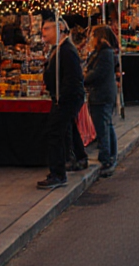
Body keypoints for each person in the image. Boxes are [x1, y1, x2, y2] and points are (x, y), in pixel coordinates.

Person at [38, 15, 85, 190]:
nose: (43, 32)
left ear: (58, 30)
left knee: (55, 132)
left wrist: (62, 99)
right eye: (43, 29)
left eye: (47, 29)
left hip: (65, 100)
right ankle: (72, 161)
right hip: (61, 99)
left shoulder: (67, 50)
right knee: (61, 131)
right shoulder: (58, 49)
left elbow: (73, 79)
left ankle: (58, 174)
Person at [83, 25, 120, 177]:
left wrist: (85, 76)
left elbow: (96, 74)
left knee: (103, 127)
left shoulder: (105, 54)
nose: (91, 39)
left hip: (102, 96)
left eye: (93, 36)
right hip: (104, 95)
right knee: (107, 125)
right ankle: (110, 155)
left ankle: (106, 159)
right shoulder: (102, 53)